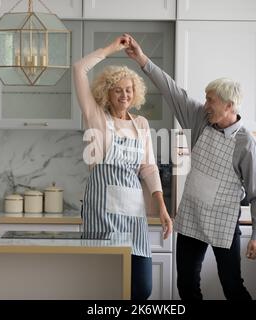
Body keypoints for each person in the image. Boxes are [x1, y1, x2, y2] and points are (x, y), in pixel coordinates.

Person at [125, 34, 256, 300]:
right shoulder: (201, 119)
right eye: (205, 99)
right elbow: (172, 90)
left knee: (232, 286)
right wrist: (142, 59)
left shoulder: (246, 144)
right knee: (187, 285)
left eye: (210, 100)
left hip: (224, 222)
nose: (205, 105)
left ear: (229, 105)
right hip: (192, 217)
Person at [73, 35, 173, 300]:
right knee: (103, 289)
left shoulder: (140, 124)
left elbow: (148, 169)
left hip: (133, 216)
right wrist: (111, 49)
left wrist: (161, 207)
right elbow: (78, 69)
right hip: (100, 215)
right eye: (117, 89)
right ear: (107, 92)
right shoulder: (96, 118)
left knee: (141, 289)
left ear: (135, 92)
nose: (124, 94)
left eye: (128, 89)